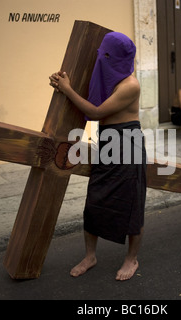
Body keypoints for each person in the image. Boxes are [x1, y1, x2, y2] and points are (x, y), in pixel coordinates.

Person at [49, 32, 146, 282]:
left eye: (105, 55)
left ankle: (131, 258)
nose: (100, 59)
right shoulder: (106, 77)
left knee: (132, 203)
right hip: (105, 140)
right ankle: (90, 256)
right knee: (95, 199)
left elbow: (94, 112)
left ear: (116, 57)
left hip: (127, 143)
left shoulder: (130, 85)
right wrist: (63, 84)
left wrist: (67, 89)